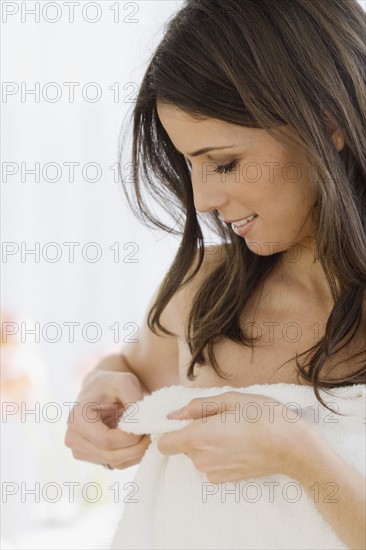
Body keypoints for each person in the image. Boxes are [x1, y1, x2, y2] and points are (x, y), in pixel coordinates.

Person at [65, 0, 366, 548]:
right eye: (189, 165)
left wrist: (299, 455)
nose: (202, 199)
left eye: (223, 162)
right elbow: (126, 370)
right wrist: (100, 389)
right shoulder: (207, 290)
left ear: (329, 124)